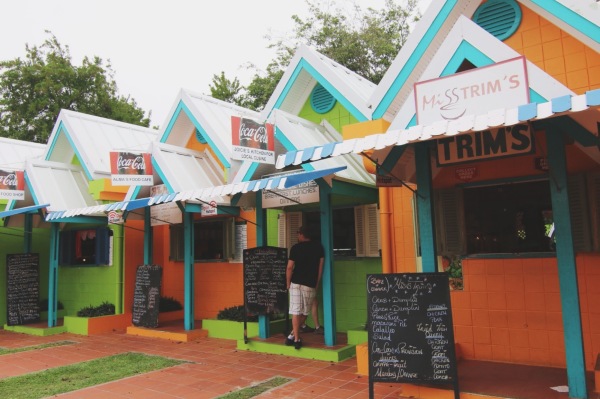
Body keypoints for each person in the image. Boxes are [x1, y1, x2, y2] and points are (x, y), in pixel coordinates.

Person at [285, 225, 324, 349]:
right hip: (309, 284)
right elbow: (320, 268)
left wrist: (288, 283)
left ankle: (295, 338)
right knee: (305, 313)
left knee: (295, 311)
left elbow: (290, 267)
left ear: (302, 234)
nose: (297, 236)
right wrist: (317, 283)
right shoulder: (319, 247)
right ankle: (293, 336)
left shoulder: (295, 248)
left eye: (298, 234)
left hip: (295, 283)